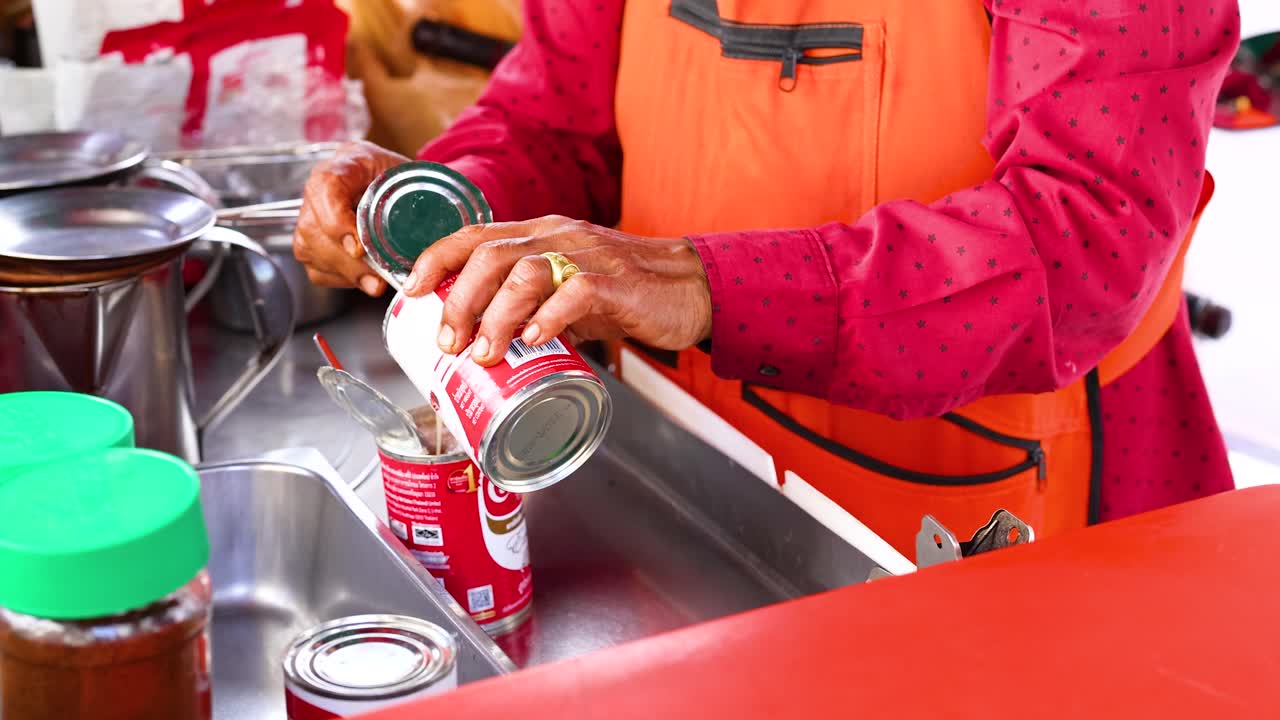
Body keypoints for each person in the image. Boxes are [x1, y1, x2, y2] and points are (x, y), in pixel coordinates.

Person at [296, 0, 1240, 555]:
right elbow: (558, 119)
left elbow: (1084, 238)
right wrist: (441, 207)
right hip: (674, 477)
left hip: (982, 507)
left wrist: (703, 284)